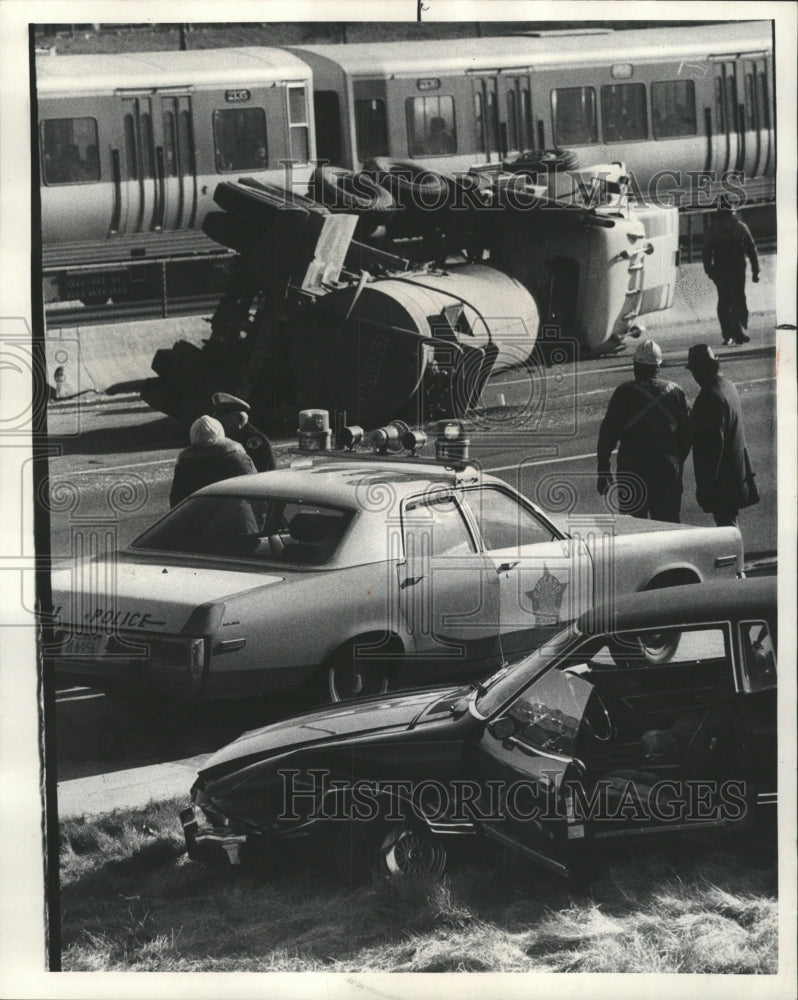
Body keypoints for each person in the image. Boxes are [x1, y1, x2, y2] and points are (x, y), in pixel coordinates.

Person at [596, 339, 691, 523]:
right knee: (668, 527)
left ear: (636, 366)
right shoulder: (677, 392)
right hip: (667, 470)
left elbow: (608, 434)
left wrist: (603, 469)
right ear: (658, 366)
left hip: (633, 470)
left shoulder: (624, 392)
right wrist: (676, 461)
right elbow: (687, 435)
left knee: (634, 528)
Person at [686, 344, 758, 527]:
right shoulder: (727, 386)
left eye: (694, 370)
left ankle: (736, 556)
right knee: (730, 523)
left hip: (722, 481)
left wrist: (706, 487)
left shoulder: (709, 396)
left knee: (727, 527)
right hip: (734, 473)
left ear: (700, 370)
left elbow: (712, 448)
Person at [702, 199, 760, 346]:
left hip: (734, 270)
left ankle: (738, 331)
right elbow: (707, 253)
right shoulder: (718, 230)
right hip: (725, 270)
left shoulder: (739, 228)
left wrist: (755, 270)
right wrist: (709, 270)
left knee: (733, 300)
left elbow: (751, 250)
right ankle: (732, 333)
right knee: (729, 301)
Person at [169, 415, 255, 507]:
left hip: (199, 520)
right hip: (237, 519)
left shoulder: (184, 466)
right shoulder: (240, 460)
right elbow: (256, 496)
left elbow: (176, 503)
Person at [211, 392, 275, 473]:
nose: (221, 425)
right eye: (219, 421)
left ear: (239, 418)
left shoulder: (254, 440)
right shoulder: (230, 436)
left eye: (225, 421)